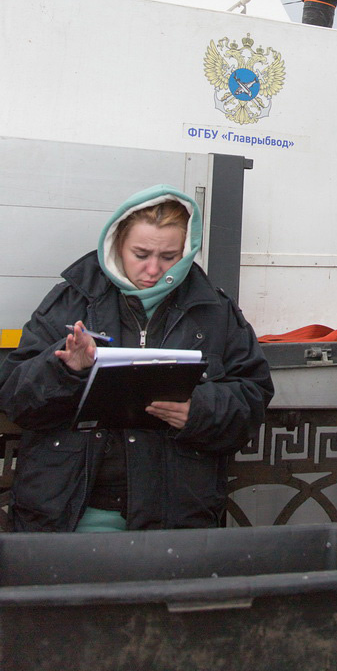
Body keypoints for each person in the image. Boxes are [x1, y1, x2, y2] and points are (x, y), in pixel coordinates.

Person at [0, 185, 274, 532]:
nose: (153, 269)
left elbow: (253, 397)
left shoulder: (215, 310)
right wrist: (64, 369)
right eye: (141, 254)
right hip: (63, 514)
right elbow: (14, 396)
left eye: (169, 256)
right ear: (116, 245)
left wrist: (200, 410)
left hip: (173, 520)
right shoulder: (71, 299)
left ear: (187, 252)